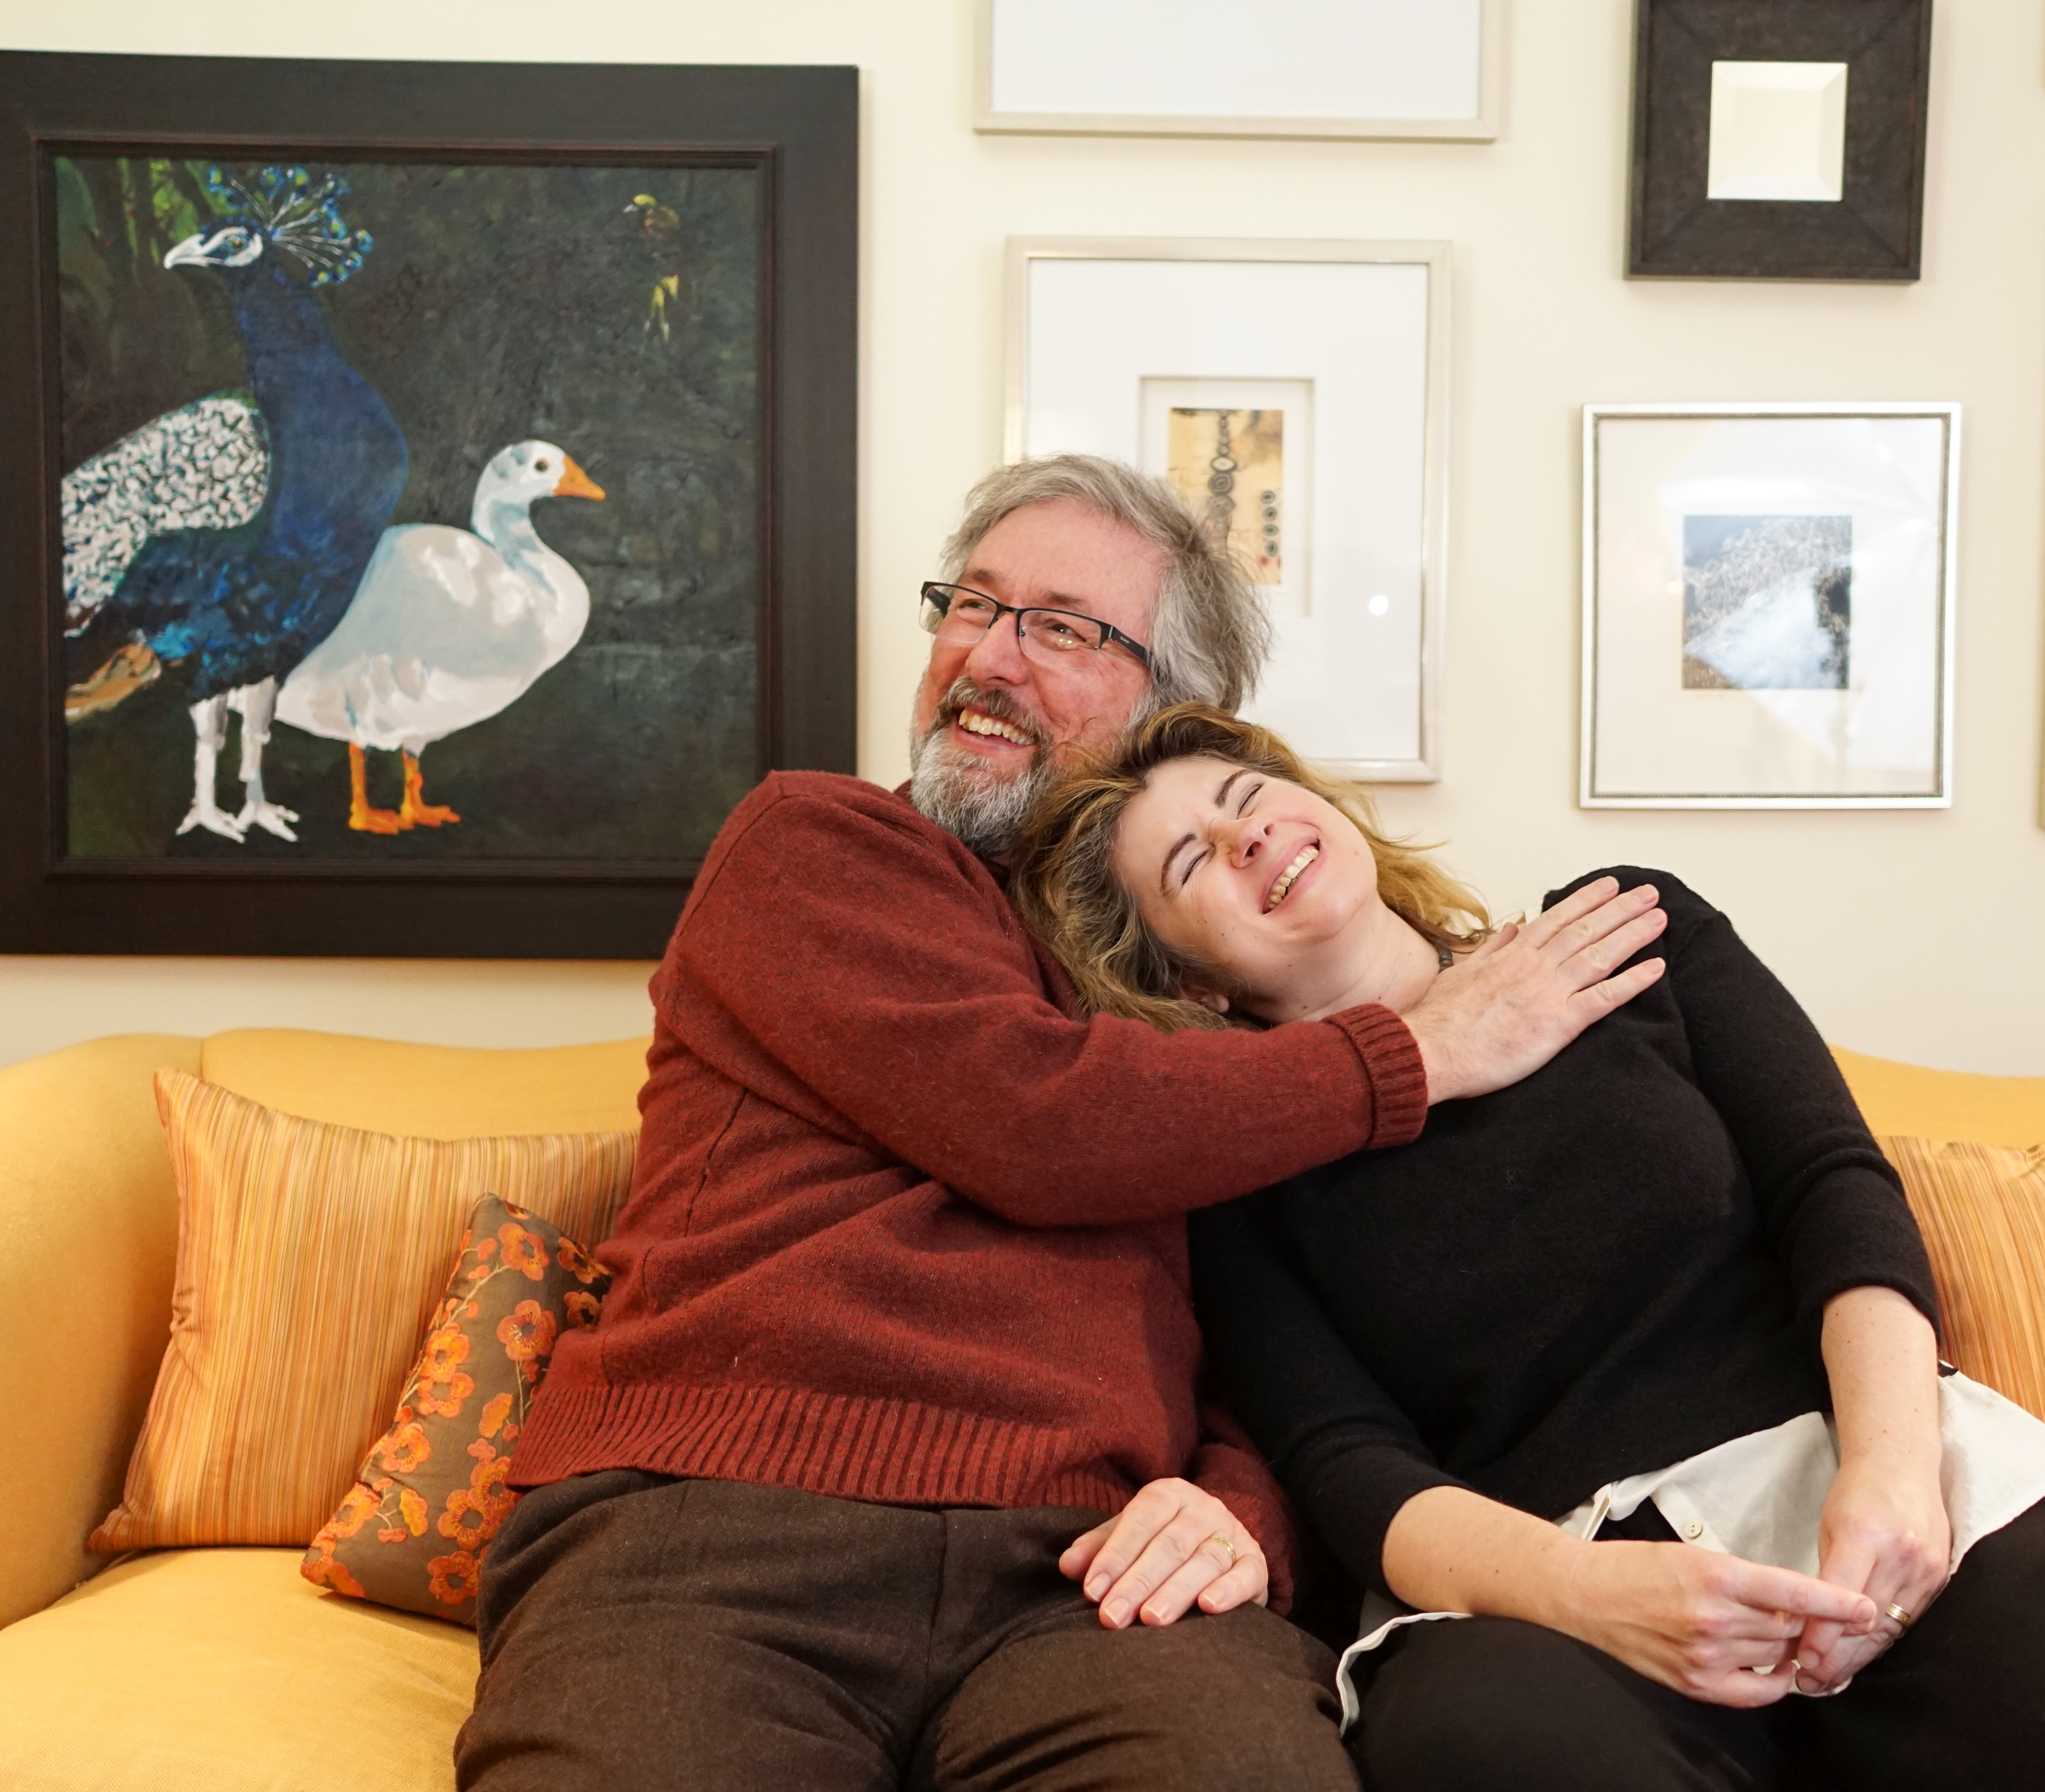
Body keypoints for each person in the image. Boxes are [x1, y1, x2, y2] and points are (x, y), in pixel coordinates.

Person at [454, 457, 1668, 1792]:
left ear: (1178, 712)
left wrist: (1241, 1511)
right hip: (715, 1536)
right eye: (971, 606)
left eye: (1064, 629)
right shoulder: (815, 846)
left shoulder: (1234, 1022)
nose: (988, 655)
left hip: (1101, 1580)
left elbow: (1296, 1344)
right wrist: (1420, 1053)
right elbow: (1039, 1118)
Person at [1011, 702, 2045, 1792]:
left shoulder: (1629, 930)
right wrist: (1596, 1597)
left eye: (1250, 794)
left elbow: (1834, 1190)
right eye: (1195, 862)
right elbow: (1345, 1465)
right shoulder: (1241, 1170)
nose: (1251, 834)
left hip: (1843, 1467)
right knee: (1488, 1743)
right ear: (1190, 987)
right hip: (1552, 1582)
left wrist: (1893, 1476)